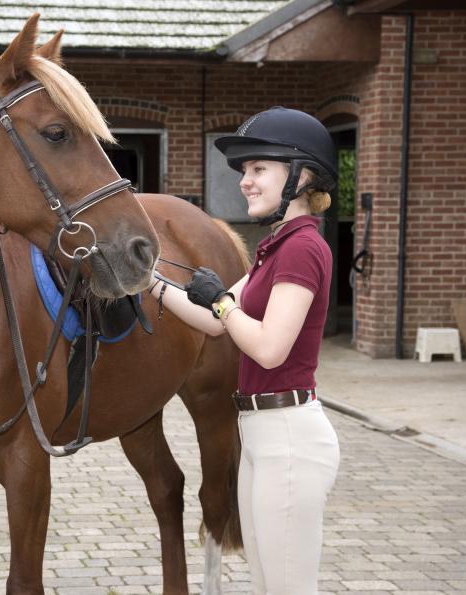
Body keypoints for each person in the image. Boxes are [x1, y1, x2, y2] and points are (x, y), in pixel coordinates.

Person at [148, 107, 341, 594]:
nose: (245, 182)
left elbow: (270, 347)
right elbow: (213, 325)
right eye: (245, 172)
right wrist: (147, 282)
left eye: (259, 170)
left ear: (301, 175)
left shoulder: (302, 248)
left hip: (288, 438)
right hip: (260, 433)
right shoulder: (276, 246)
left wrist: (222, 302)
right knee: (268, 583)